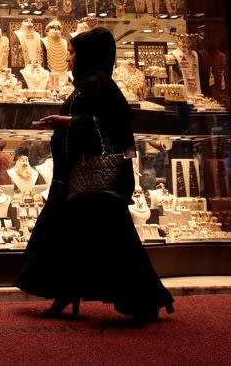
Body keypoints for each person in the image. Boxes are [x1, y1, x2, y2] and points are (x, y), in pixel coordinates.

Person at [14, 27, 174, 321]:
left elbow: (110, 124)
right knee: (71, 237)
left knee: (111, 239)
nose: (70, 58)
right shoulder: (91, 84)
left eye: (74, 53)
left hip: (89, 177)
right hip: (73, 175)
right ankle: (66, 295)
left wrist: (66, 121)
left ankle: (142, 299)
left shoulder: (99, 85)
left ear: (87, 55)